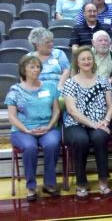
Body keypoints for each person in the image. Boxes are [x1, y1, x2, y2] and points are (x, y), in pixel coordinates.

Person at [5, 55, 61, 201]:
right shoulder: (15, 90)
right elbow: (12, 116)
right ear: (23, 70)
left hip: (46, 127)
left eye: (37, 67)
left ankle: (49, 184)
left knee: (52, 144)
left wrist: (49, 126)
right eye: (32, 67)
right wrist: (26, 130)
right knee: (30, 147)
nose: (36, 70)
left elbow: (56, 110)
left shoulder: (49, 87)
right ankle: (31, 186)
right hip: (22, 130)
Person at [62, 46, 112, 200]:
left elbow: (110, 105)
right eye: (83, 59)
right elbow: (72, 110)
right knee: (81, 140)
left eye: (89, 58)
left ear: (93, 61)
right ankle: (81, 183)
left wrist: (106, 121)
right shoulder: (70, 83)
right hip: (75, 123)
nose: (86, 61)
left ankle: (103, 180)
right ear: (77, 63)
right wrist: (93, 124)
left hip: (100, 122)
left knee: (99, 138)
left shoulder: (103, 81)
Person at [92, 30, 112, 104]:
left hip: (107, 88)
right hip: (90, 86)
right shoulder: (88, 53)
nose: (103, 43)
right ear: (93, 43)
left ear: (110, 43)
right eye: (100, 40)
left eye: (106, 40)